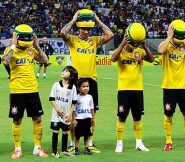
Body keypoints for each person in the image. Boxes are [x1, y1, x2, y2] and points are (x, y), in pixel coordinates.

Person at [60, 8, 114, 153]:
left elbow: (110, 34)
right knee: (73, 114)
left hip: (91, 82)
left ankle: (89, 143)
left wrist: (97, 20)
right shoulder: (73, 40)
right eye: (84, 29)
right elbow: (63, 33)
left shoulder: (94, 41)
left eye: (88, 29)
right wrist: (73, 19)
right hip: (75, 81)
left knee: (91, 114)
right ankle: (73, 143)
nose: (86, 32)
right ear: (79, 28)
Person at [2, 24, 49, 159]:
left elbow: (45, 60)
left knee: (37, 119)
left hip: (32, 90)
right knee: (17, 120)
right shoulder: (9, 50)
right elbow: (5, 61)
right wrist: (13, 45)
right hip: (17, 90)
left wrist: (36, 45)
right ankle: (17, 149)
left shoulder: (31, 50)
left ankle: (37, 148)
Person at [158, 19, 185, 151]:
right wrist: (168, 37)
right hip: (169, 86)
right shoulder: (166, 45)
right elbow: (160, 51)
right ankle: (168, 141)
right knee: (169, 114)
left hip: (183, 86)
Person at [111, 23, 154, 153]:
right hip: (123, 89)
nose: (134, 45)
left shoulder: (139, 52)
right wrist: (122, 43)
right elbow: (113, 58)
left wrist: (145, 46)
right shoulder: (120, 52)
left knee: (138, 117)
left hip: (137, 89)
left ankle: (139, 143)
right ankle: (119, 143)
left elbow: (151, 59)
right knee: (122, 117)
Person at [49, 66, 78, 158]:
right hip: (56, 114)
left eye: (66, 71)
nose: (63, 72)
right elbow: (52, 99)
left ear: (71, 76)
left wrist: (70, 114)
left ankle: (64, 150)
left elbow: (74, 102)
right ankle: (54, 151)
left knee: (65, 132)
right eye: (63, 71)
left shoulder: (73, 87)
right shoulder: (56, 85)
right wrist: (57, 109)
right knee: (55, 131)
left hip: (66, 115)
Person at [73, 78, 95, 155]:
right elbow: (74, 109)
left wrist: (93, 118)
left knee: (87, 135)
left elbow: (92, 108)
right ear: (79, 88)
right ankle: (76, 148)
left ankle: (86, 148)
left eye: (87, 86)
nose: (86, 88)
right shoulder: (76, 97)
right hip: (79, 119)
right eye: (84, 86)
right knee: (77, 135)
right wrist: (73, 119)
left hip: (87, 119)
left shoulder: (90, 97)